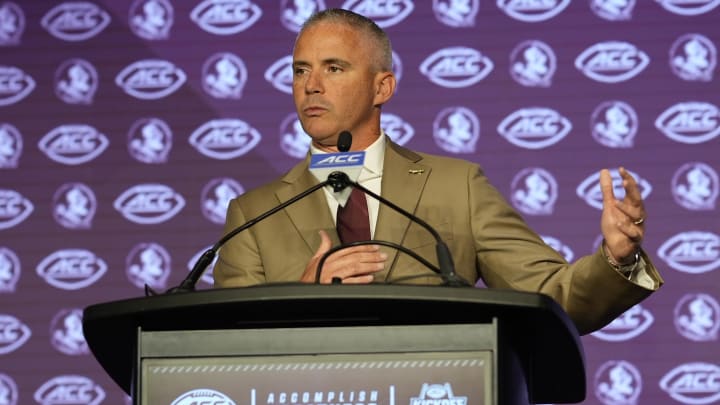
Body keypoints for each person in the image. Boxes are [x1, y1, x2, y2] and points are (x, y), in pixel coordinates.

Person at [213, 8, 663, 335]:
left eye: (334, 68)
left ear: (382, 86)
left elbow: (552, 294)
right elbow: (223, 344)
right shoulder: (253, 214)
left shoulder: (456, 187)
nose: (311, 85)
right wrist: (300, 295)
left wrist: (615, 259)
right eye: (300, 70)